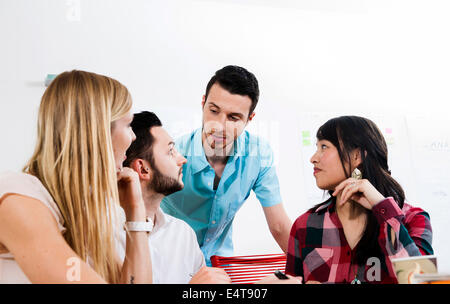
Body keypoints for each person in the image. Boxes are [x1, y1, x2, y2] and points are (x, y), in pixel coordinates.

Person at [0, 70, 152, 283]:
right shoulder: (18, 198)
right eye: (128, 125)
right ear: (97, 131)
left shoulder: (85, 215)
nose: (134, 136)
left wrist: (135, 212)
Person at [161, 65, 292, 266]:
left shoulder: (258, 153)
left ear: (249, 119)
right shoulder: (171, 153)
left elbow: (279, 226)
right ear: (203, 103)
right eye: (214, 111)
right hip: (169, 262)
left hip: (221, 266)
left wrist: (316, 274)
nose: (220, 126)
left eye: (233, 117)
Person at [285, 116, 433, 284]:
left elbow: (422, 280)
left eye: (324, 146)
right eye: (316, 147)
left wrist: (383, 209)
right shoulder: (304, 225)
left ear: (356, 156)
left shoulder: (414, 219)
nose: (313, 158)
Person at [120, 111, 231, 283]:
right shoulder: (102, 234)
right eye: (171, 151)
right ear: (142, 169)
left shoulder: (183, 234)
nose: (182, 159)